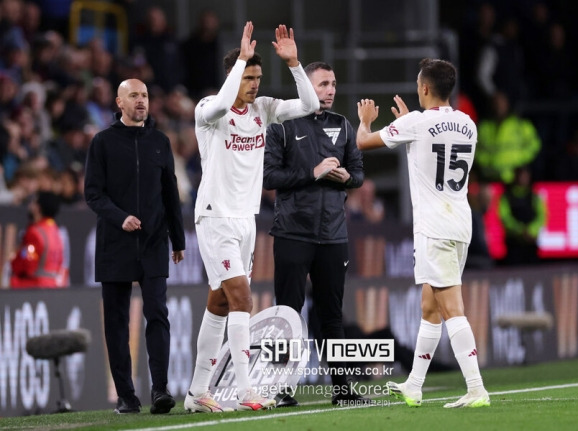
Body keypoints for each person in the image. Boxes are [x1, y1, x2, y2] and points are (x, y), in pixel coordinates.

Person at [185, 22, 318, 413]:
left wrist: (294, 64)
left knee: (220, 303)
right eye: (248, 76)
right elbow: (225, 105)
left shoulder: (264, 110)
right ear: (233, 76)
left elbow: (309, 106)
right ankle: (246, 391)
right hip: (215, 217)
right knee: (241, 298)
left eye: (258, 77)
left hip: (245, 220)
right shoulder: (208, 110)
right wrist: (241, 58)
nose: (255, 84)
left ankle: (196, 393)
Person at [356, 58, 490, 408]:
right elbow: (435, 148)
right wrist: (406, 124)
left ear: (425, 88)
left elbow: (363, 143)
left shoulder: (416, 122)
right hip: (460, 221)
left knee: (451, 308)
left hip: (435, 226)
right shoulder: (468, 124)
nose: (417, 89)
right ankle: (414, 385)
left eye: (419, 85)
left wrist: (365, 121)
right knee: (430, 306)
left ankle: (476, 388)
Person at [263, 61, 367, 406]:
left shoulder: (343, 125)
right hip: (293, 232)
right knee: (288, 314)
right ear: (306, 88)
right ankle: (282, 389)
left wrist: (346, 179)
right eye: (322, 84)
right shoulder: (283, 124)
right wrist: (313, 172)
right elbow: (269, 177)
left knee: (332, 315)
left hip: (333, 235)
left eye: (333, 84)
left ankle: (342, 390)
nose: (330, 90)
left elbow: (358, 173)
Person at [84, 78, 186, 415]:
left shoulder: (160, 142)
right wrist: (120, 217)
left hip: (154, 241)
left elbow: (170, 193)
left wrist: (178, 239)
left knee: (158, 313)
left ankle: (160, 390)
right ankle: (127, 396)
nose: (141, 101)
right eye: (133, 96)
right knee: (116, 321)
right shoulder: (102, 142)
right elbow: (93, 193)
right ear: (119, 103)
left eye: (144, 95)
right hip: (116, 242)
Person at [10, 190, 67, 288]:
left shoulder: (34, 232)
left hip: (36, 286)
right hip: (54, 284)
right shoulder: (56, 230)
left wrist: (14, 263)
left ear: (38, 208)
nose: (30, 206)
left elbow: (27, 263)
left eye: (33, 202)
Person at [497, 165, 546, 266]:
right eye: (521, 175)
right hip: (514, 243)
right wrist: (520, 231)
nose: (523, 178)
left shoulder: (534, 196)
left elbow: (542, 216)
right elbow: (505, 217)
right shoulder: (506, 196)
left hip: (531, 243)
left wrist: (531, 230)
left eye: (525, 176)